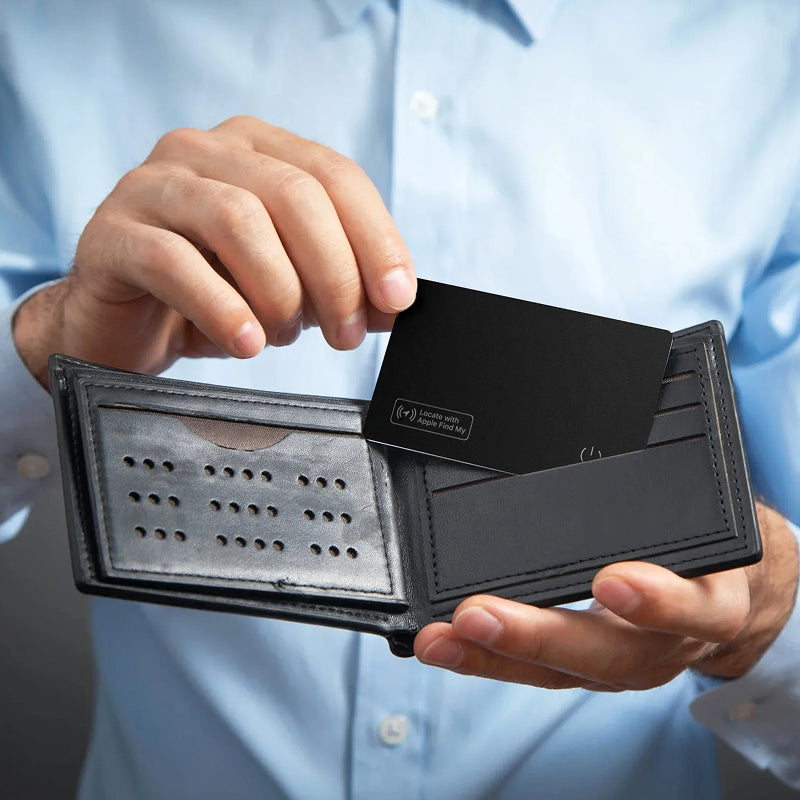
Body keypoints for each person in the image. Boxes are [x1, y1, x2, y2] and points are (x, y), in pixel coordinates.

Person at [2, 1, 800, 798]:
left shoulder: (771, 57)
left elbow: (780, 592)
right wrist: (45, 341)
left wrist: (764, 618)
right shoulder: (43, 33)